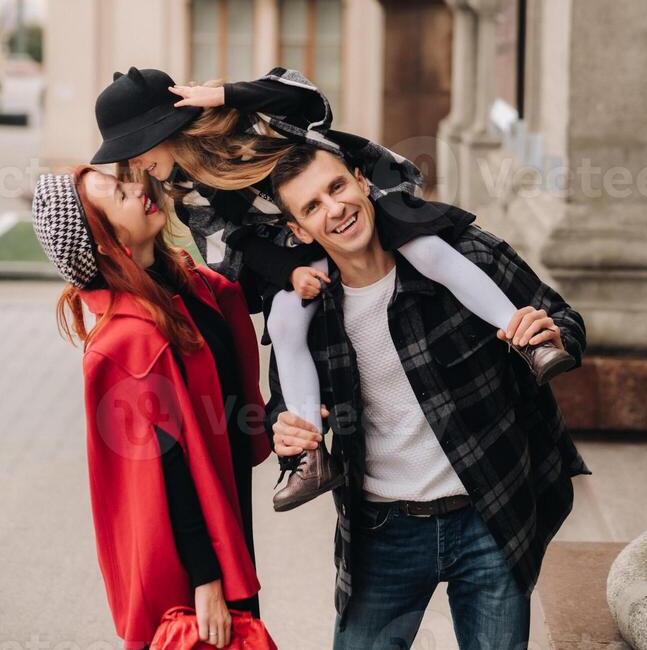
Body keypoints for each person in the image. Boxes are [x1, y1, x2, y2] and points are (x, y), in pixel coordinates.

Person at [89, 66, 575, 511]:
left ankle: (525, 338)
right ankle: (309, 456)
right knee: (284, 323)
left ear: (166, 127)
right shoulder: (185, 189)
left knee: (428, 252)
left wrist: (224, 94)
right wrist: (288, 273)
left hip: (352, 198)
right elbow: (233, 242)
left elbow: (308, 100)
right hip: (297, 243)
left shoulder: (244, 120)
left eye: (136, 145)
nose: (133, 162)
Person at [267, 144, 593, 650]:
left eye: (337, 188)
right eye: (311, 207)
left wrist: (554, 333)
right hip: (380, 530)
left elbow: (563, 316)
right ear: (300, 230)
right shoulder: (307, 311)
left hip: (488, 512)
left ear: (361, 182)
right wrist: (287, 430)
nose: (334, 209)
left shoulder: (461, 254)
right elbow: (286, 402)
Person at [32, 167, 271, 650]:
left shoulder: (183, 285)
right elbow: (166, 467)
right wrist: (206, 580)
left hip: (228, 519)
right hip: (194, 563)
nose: (139, 190)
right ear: (107, 239)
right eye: (120, 194)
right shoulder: (125, 340)